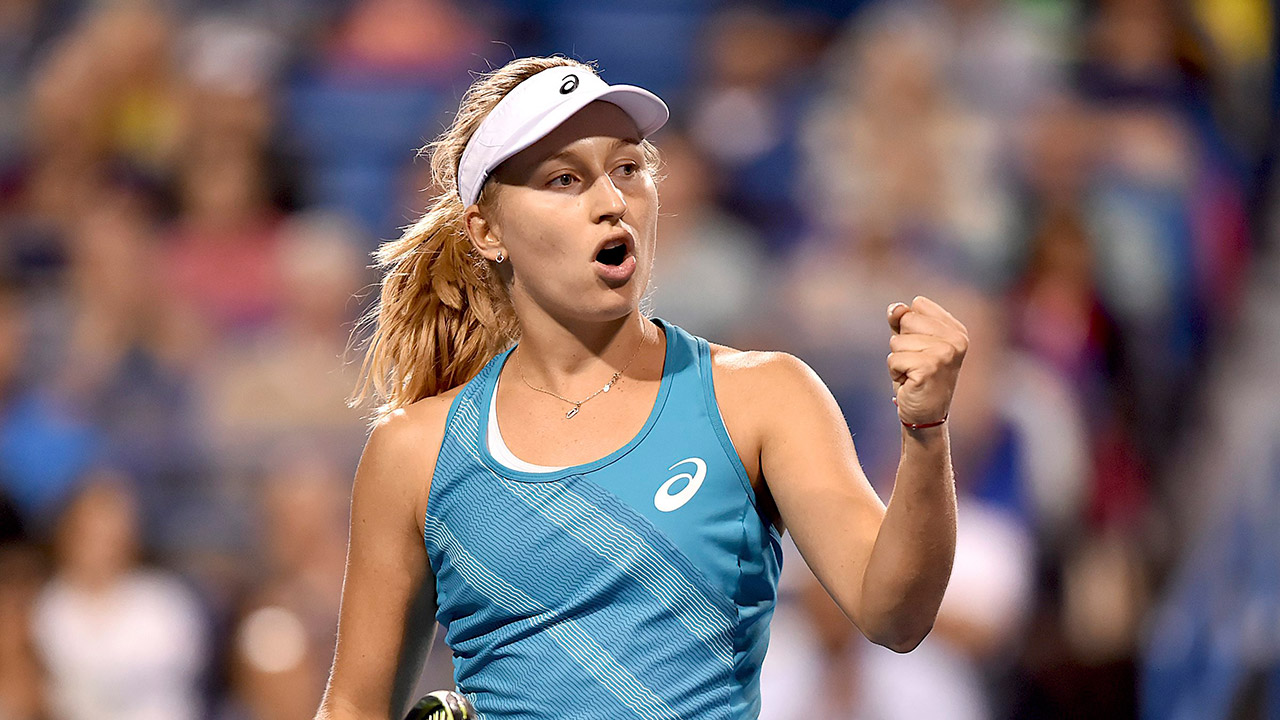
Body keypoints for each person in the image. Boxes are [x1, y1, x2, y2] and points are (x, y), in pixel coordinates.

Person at [315, 55, 968, 720]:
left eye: (627, 168)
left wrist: (924, 430)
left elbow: (896, 614)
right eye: (565, 179)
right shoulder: (413, 453)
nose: (611, 202)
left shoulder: (763, 398)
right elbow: (352, 708)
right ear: (488, 231)